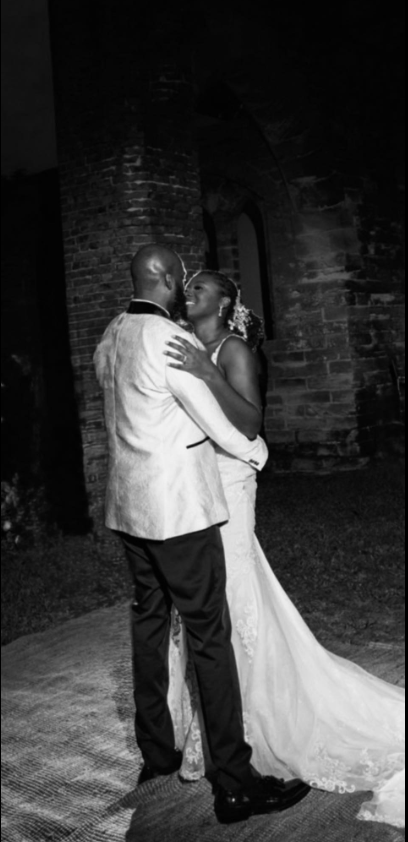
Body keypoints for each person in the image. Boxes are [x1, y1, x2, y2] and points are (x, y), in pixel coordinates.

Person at [164, 269, 406, 830]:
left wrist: (206, 371)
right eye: (188, 286)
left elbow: (250, 422)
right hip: (193, 489)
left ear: (225, 303)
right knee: (210, 603)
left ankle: (261, 724)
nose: (190, 292)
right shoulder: (184, 344)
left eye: (201, 287)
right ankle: (224, 724)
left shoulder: (233, 351)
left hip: (229, 485)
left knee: (236, 599)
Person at [93, 245, 310, 825]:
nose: (187, 285)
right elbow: (217, 422)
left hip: (127, 509)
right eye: (183, 278)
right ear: (166, 280)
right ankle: (235, 784)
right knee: (210, 636)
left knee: (149, 623)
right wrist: (257, 453)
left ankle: (158, 754)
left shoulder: (112, 332)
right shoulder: (172, 341)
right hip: (179, 514)